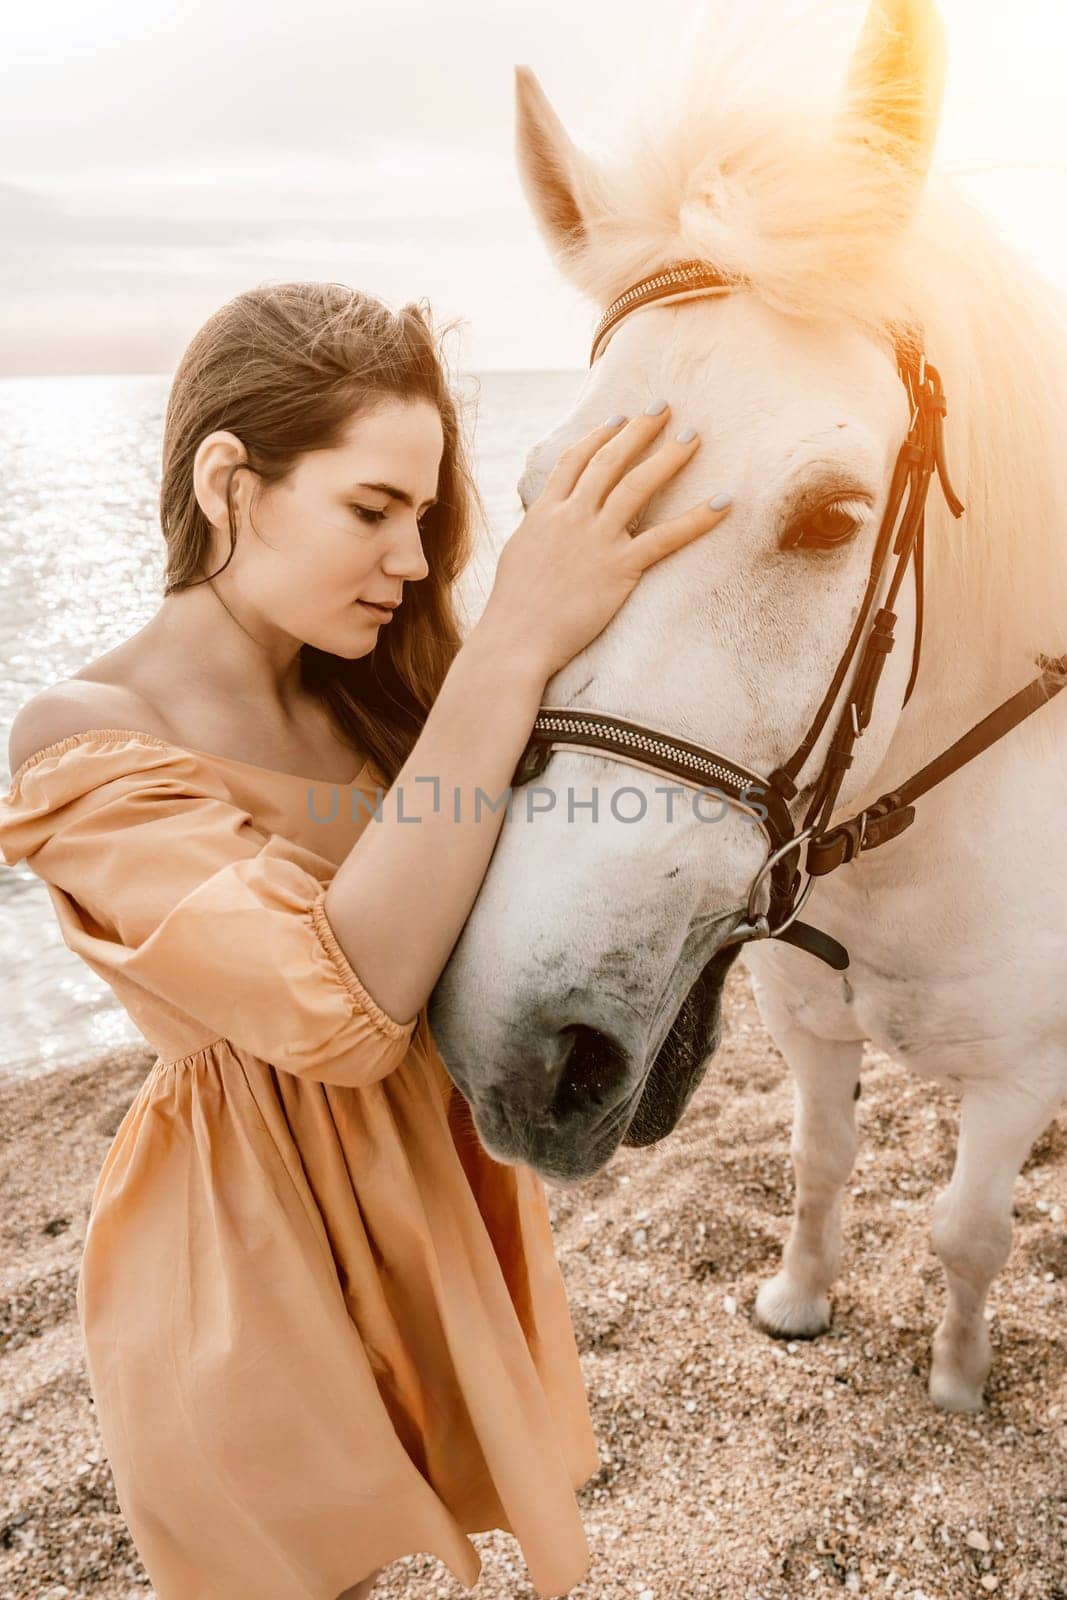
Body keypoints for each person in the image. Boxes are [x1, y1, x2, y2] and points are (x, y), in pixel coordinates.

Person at [0, 281, 732, 1600]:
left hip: (434, 1212)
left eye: (426, 514)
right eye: (372, 509)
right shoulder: (82, 735)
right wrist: (505, 651)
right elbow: (339, 1006)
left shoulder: (386, 693)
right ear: (231, 482)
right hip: (248, 1252)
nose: (412, 559)